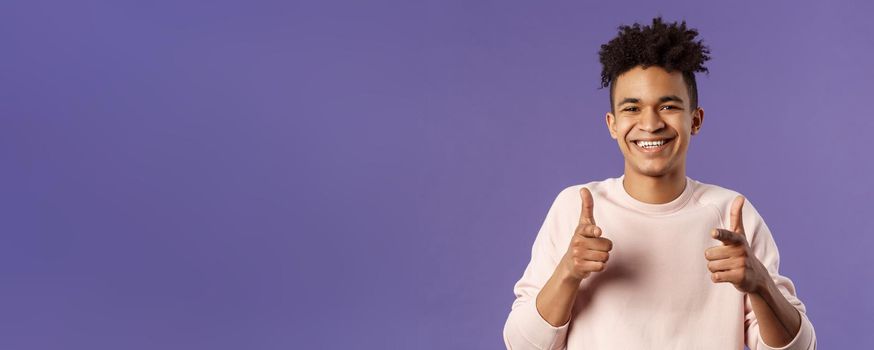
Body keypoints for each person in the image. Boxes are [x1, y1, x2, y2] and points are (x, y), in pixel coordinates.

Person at [502, 17, 816, 350]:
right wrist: (568, 272)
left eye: (667, 106)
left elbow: (801, 347)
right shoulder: (575, 208)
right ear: (612, 124)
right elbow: (522, 345)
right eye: (632, 108)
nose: (650, 124)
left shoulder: (732, 214)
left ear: (695, 120)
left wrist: (761, 286)